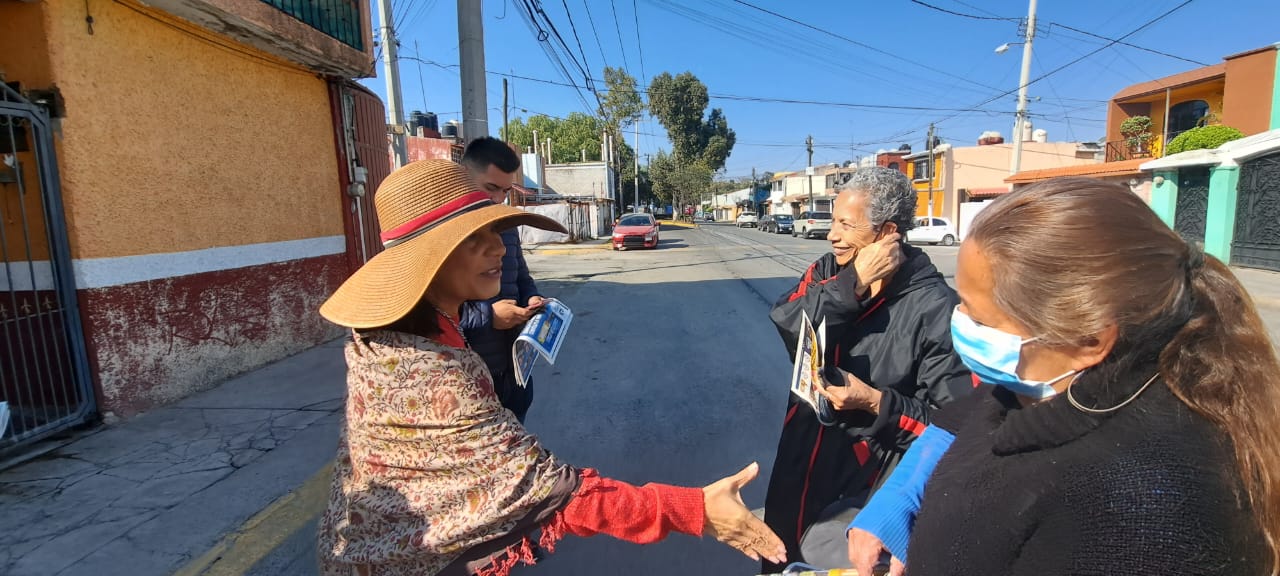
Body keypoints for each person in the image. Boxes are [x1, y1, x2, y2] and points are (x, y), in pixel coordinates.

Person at [316, 159, 785, 576]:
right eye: (474, 240)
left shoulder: (390, 335)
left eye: (495, 234)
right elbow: (552, 491)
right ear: (425, 260)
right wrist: (695, 508)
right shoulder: (431, 371)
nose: (498, 250)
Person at [846, 177, 1278, 576]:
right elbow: (972, 413)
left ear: (1090, 340)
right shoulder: (1053, 384)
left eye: (980, 317)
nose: (959, 323)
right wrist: (903, 493)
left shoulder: (1132, 515)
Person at [762, 167, 972, 572]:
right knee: (780, 553)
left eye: (845, 224)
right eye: (833, 220)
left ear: (887, 231)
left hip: (867, 480)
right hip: (801, 455)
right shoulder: (829, 271)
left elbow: (955, 427)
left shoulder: (935, 308)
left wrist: (876, 403)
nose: (831, 235)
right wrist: (852, 285)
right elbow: (789, 322)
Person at [459, 137, 542, 423]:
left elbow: (521, 275)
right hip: (470, 379)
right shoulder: (444, 235)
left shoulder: (508, 226)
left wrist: (532, 298)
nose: (498, 200)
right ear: (463, 177)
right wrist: (487, 316)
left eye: (506, 191)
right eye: (491, 188)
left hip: (515, 372)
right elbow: (425, 313)